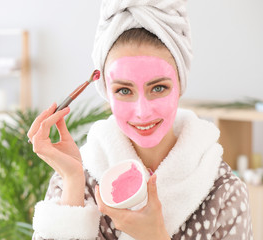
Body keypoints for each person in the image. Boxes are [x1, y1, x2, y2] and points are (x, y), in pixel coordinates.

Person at [28, 0, 253, 239]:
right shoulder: (76, 177)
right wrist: (73, 182)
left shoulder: (223, 192)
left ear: (180, 85)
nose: (142, 112)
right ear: (106, 92)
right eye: (124, 91)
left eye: (158, 88)